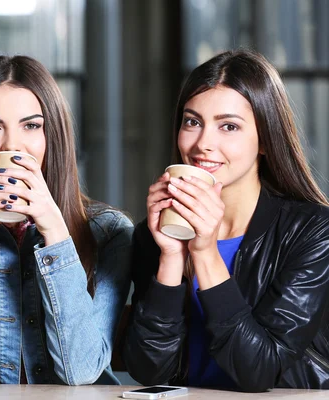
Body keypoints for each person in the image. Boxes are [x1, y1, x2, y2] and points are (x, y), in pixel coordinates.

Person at [123, 49, 329, 391]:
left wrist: (204, 253)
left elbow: (259, 372)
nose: (203, 143)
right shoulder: (154, 235)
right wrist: (172, 257)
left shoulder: (312, 230)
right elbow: (150, 371)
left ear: (265, 140)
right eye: (192, 122)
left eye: (229, 126)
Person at [0, 55, 133, 388]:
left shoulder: (110, 233)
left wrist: (54, 230)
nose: (11, 145)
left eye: (31, 126)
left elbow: (81, 371)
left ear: (54, 136)